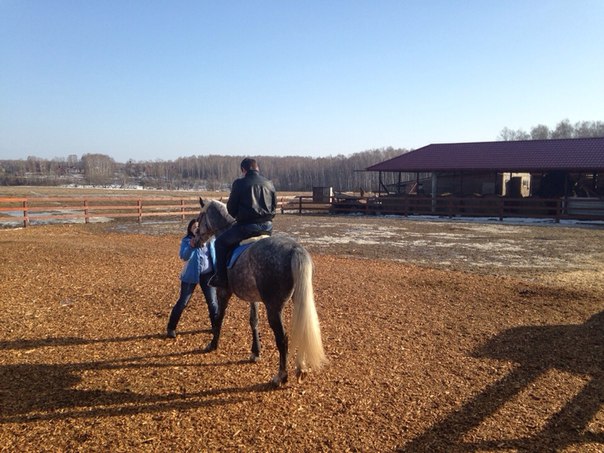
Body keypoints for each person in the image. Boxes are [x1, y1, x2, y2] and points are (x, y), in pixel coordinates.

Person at [208, 158, 277, 288]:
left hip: (247, 228)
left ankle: (221, 278)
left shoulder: (239, 183)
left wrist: (239, 216)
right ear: (257, 168)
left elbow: (231, 209)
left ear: (243, 170)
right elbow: (274, 208)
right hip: (268, 227)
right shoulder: (269, 183)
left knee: (219, 243)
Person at [167, 219, 218, 338]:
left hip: (208, 275)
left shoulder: (210, 240)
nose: (196, 229)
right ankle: (171, 327)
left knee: (212, 302)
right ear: (190, 230)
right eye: (194, 227)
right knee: (182, 302)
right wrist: (191, 246)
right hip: (190, 275)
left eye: (198, 226)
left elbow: (215, 255)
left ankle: (216, 327)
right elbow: (184, 257)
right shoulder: (186, 241)